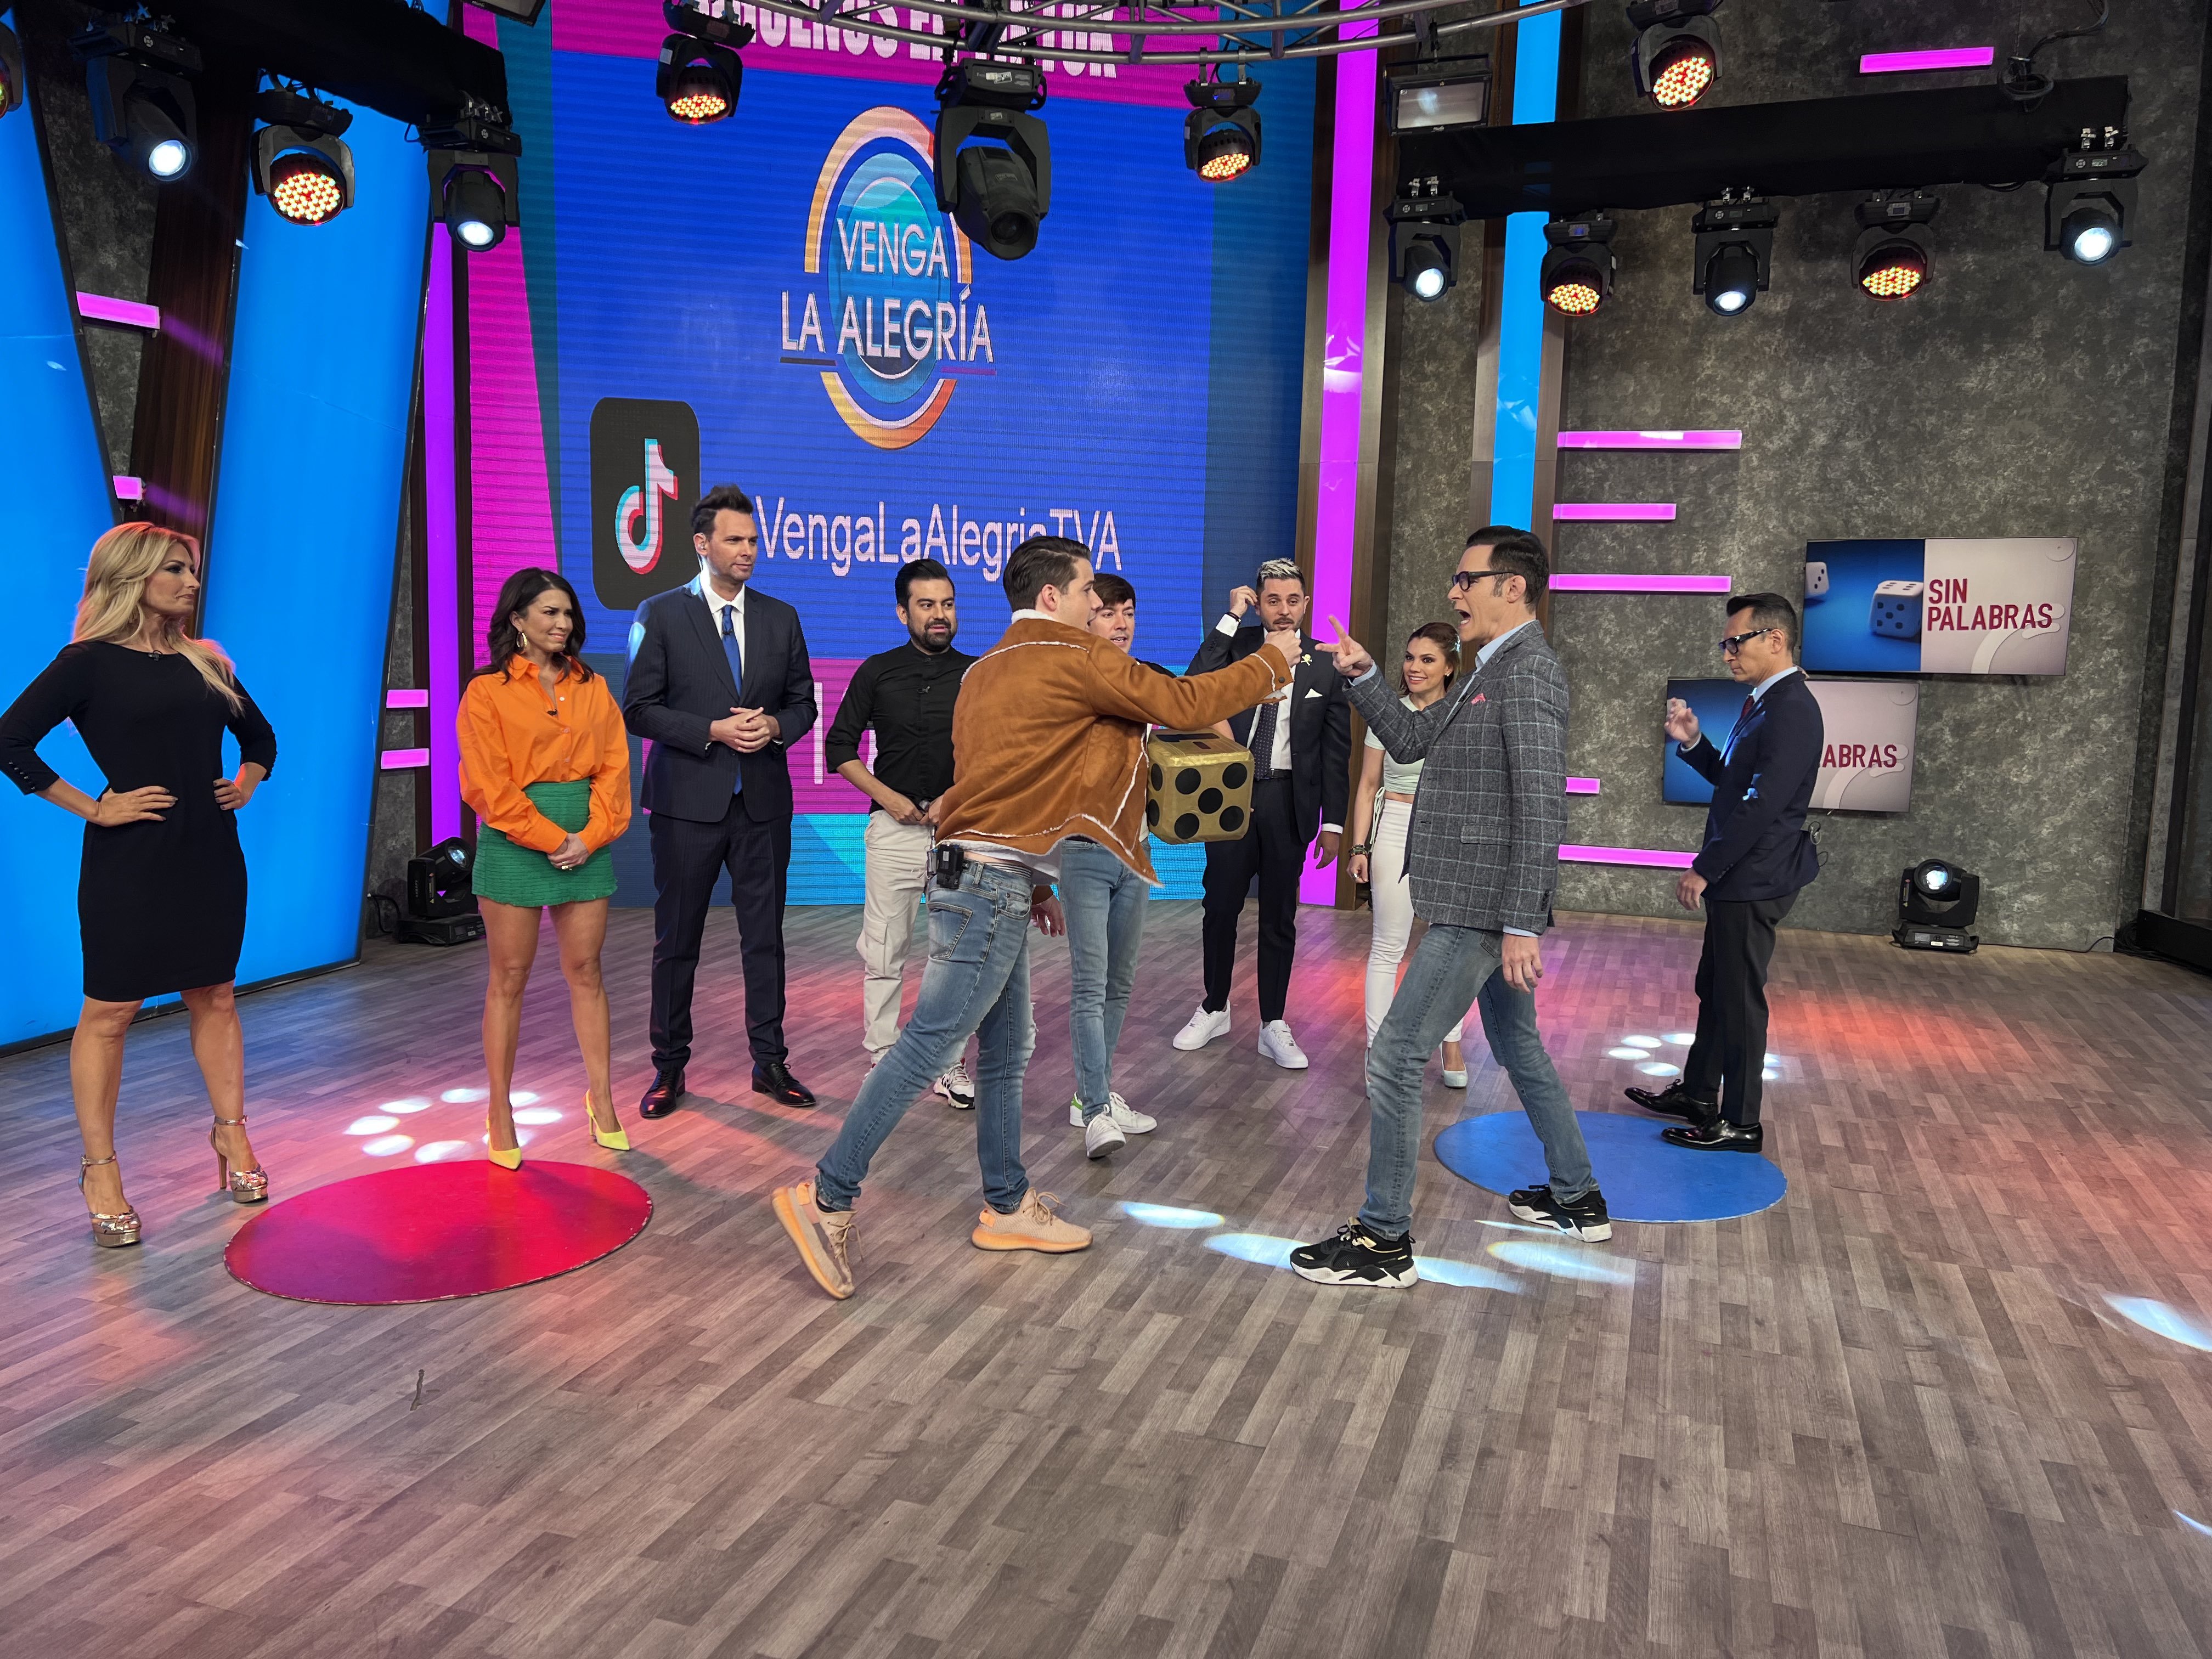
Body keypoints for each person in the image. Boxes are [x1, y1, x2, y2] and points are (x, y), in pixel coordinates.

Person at [772, 537, 1298, 1300]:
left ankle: (1007, 1203)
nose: (1097, 606)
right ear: (1052, 597)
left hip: (985, 875)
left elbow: (1002, 780)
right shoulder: (1073, 655)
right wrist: (1273, 659)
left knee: (1008, 1050)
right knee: (928, 1047)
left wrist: (1039, 885)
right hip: (987, 887)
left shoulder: (986, 669)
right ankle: (827, 1196)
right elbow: (1184, 705)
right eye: (1087, 592)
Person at [1295, 527, 1609, 1288]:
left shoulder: (1528, 672)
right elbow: (1409, 737)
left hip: (1481, 908)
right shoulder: (1488, 668)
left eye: (1466, 580)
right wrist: (1367, 675)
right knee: (1520, 1049)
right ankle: (1578, 1198)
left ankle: (1384, 1241)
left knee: (1396, 1055)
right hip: (1476, 901)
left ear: (1513, 587)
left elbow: (1541, 804)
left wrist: (1523, 922)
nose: (1453, 592)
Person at [0, 523, 276, 1247]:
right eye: (176, 570)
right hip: (131, 861)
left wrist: (245, 783)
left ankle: (232, 1134)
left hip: (210, 853)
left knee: (216, 995)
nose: (192, 582)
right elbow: (9, 740)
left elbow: (261, 739)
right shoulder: (88, 663)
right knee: (110, 1012)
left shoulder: (206, 660)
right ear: (133, 576)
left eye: (192, 569)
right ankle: (99, 1171)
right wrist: (94, 807)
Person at [624, 484, 819, 1117]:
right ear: (702, 544)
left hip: (762, 806)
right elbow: (639, 708)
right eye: (735, 540)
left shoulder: (781, 617)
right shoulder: (660, 613)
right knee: (677, 941)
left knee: (765, 940)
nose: (748, 551)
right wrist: (711, 730)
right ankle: (668, 1068)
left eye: (754, 540)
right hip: (687, 805)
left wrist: (778, 726)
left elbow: (803, 703)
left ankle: (770, 1062)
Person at [1627, 592, 1822, 1153]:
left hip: (1752, 877)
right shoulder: (1765, 703)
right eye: (1725, 643)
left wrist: (1705, 868)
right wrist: (1693, 742)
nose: (1727, 653)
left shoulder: (1792, 708)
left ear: (1776, 640)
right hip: (1741, 874)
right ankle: (1697, 1094)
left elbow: (1761, 806)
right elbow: (1736, 783)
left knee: (1738, 1001)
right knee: (1716, 989)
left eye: (1736, 642)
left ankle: (1740, 1122)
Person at [459, 568, 634, 1167]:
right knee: (509, 978)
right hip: (516, 841)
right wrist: (553, 838)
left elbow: (614, 769)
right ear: (517, 620)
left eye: (568, 613)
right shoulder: (486, 692)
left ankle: (602, 1099)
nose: (563, 624)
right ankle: (499, 1110)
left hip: (586, 839)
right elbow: (489, 785)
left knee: (587, 971)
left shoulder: (593, 686)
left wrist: (588, 837)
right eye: (549, 613)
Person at [1172, 558, 1351, 1069]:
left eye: (1293, 601)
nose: (1283, 610)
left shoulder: (1324, 663)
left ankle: (1273, 1022)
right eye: (1273, 600)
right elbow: (1193, 681)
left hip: (1289, 801)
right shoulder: (1239, 648)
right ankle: (1214, 1006)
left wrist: (1333, 824)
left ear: (1306, 604)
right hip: (1232, 796)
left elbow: (1335, 752)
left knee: (1279, 917)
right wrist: (1231, 617)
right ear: (1258, 603)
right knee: (1220, 906)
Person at [823, 556, 978, 1110]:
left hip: (961, 834)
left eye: (948, 604)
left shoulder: (979, 673)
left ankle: (949, 1064)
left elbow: (998, 754)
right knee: (885, 952)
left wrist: (953, 799)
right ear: (902, 612)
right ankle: (884, 1058)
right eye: (927, 605)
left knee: (955, 957)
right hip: (892, 832)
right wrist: (888, 798)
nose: (940, 615)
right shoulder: (877, 672)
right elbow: (838, 746)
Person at [1062, 570, 1176, 1158]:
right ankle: (1095, 1111)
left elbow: (1196, 693)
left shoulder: (1142, 678)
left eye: (1129, 611)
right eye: (1108, 611)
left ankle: (1094, 1094)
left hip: (1137, 850)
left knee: (1119, 983)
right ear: (1085, 614)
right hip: (1083, 850)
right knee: (1090, 983)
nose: (1122, 622)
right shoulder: (1072, 679)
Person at [1346, 623, 1475, 1088]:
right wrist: (1360, 846)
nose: (1414, 668)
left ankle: (1452, 1041)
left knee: (1453, 947)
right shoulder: (1389, 713)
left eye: (1427, 660)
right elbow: (1367, 786)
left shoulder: (1464, 712)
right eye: (1409, 658)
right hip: (1397, 825)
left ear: (1450, 667)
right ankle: (1377, 1052)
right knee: (1388, 946)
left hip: (1449, 830)